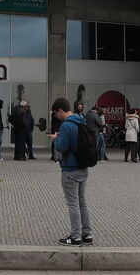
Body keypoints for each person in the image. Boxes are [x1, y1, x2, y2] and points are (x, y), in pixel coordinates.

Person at [50, 97, 93, 246]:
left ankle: (75, 236)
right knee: (82, 201)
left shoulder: (66, 126)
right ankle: (87, 234)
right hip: (83, 167)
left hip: (70, 169)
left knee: (72, 203)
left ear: (60, 110)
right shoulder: (82, 121)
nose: (56, 116)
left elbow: (62, 147)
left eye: (56, 113)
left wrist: (55, 139)